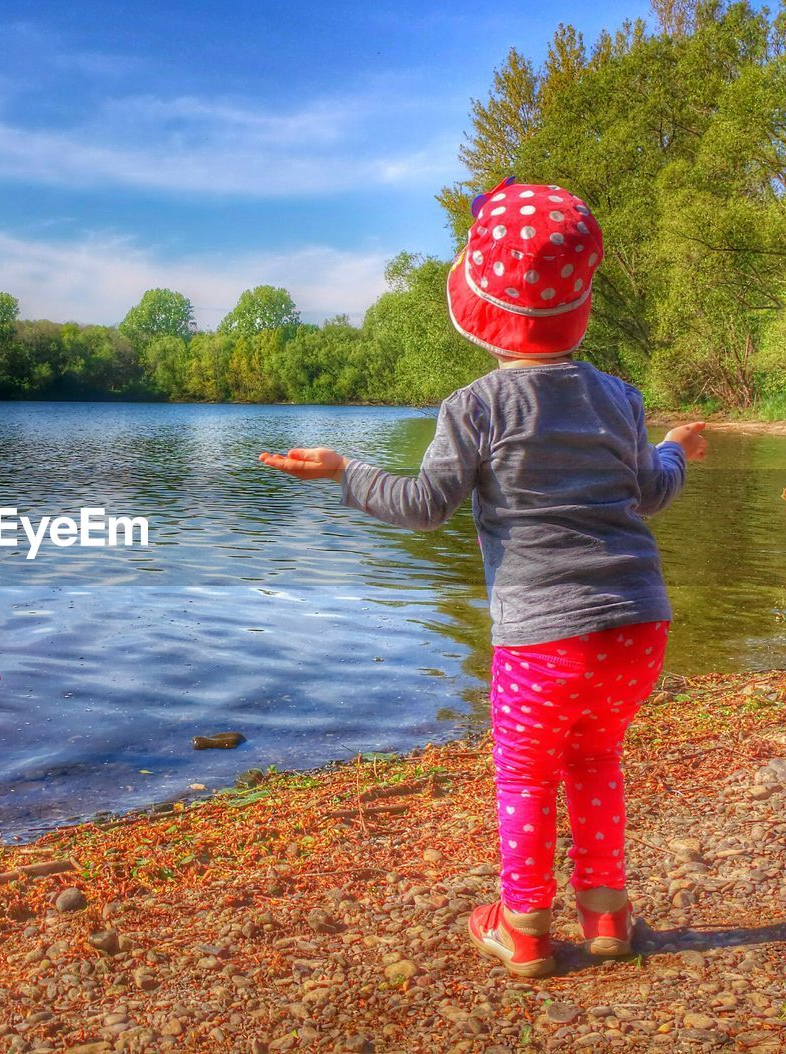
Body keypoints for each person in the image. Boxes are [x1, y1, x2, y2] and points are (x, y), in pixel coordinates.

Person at [259, 178, 708, 978]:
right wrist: (677, 448)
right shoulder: (620, 398)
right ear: (581, 308)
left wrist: (342, 471)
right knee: (597, 757)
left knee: (527, 774)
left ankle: (527, 929)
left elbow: (424, 505)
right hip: (640, 627)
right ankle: (607, 916)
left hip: (544, 639)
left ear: (476, 308)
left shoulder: (477, 406)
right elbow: (651, 491)